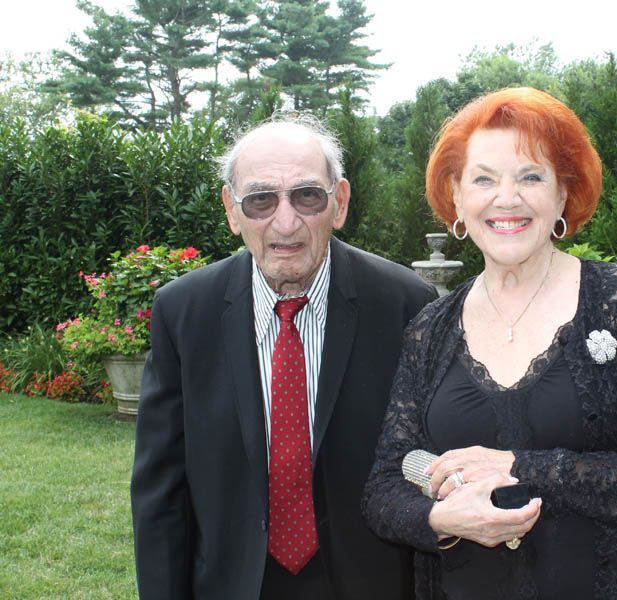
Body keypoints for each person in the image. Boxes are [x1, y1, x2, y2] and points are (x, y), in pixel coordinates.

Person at [363, 87, 617, 599]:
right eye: (484, 179)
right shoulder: (430, 328)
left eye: (531, 176)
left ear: (563, 194)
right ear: (457, 198)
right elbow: (384, 488)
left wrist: (521, 467)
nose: (507, 198)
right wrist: (438, 516)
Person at [131, 112, 437, 599]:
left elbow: (427, 467)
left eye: (307, 195)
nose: (286, 221)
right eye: (261, 200)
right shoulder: (184, 311)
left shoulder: (406, 305)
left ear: (339, 203)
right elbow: (161, 493)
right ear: (232, 211)